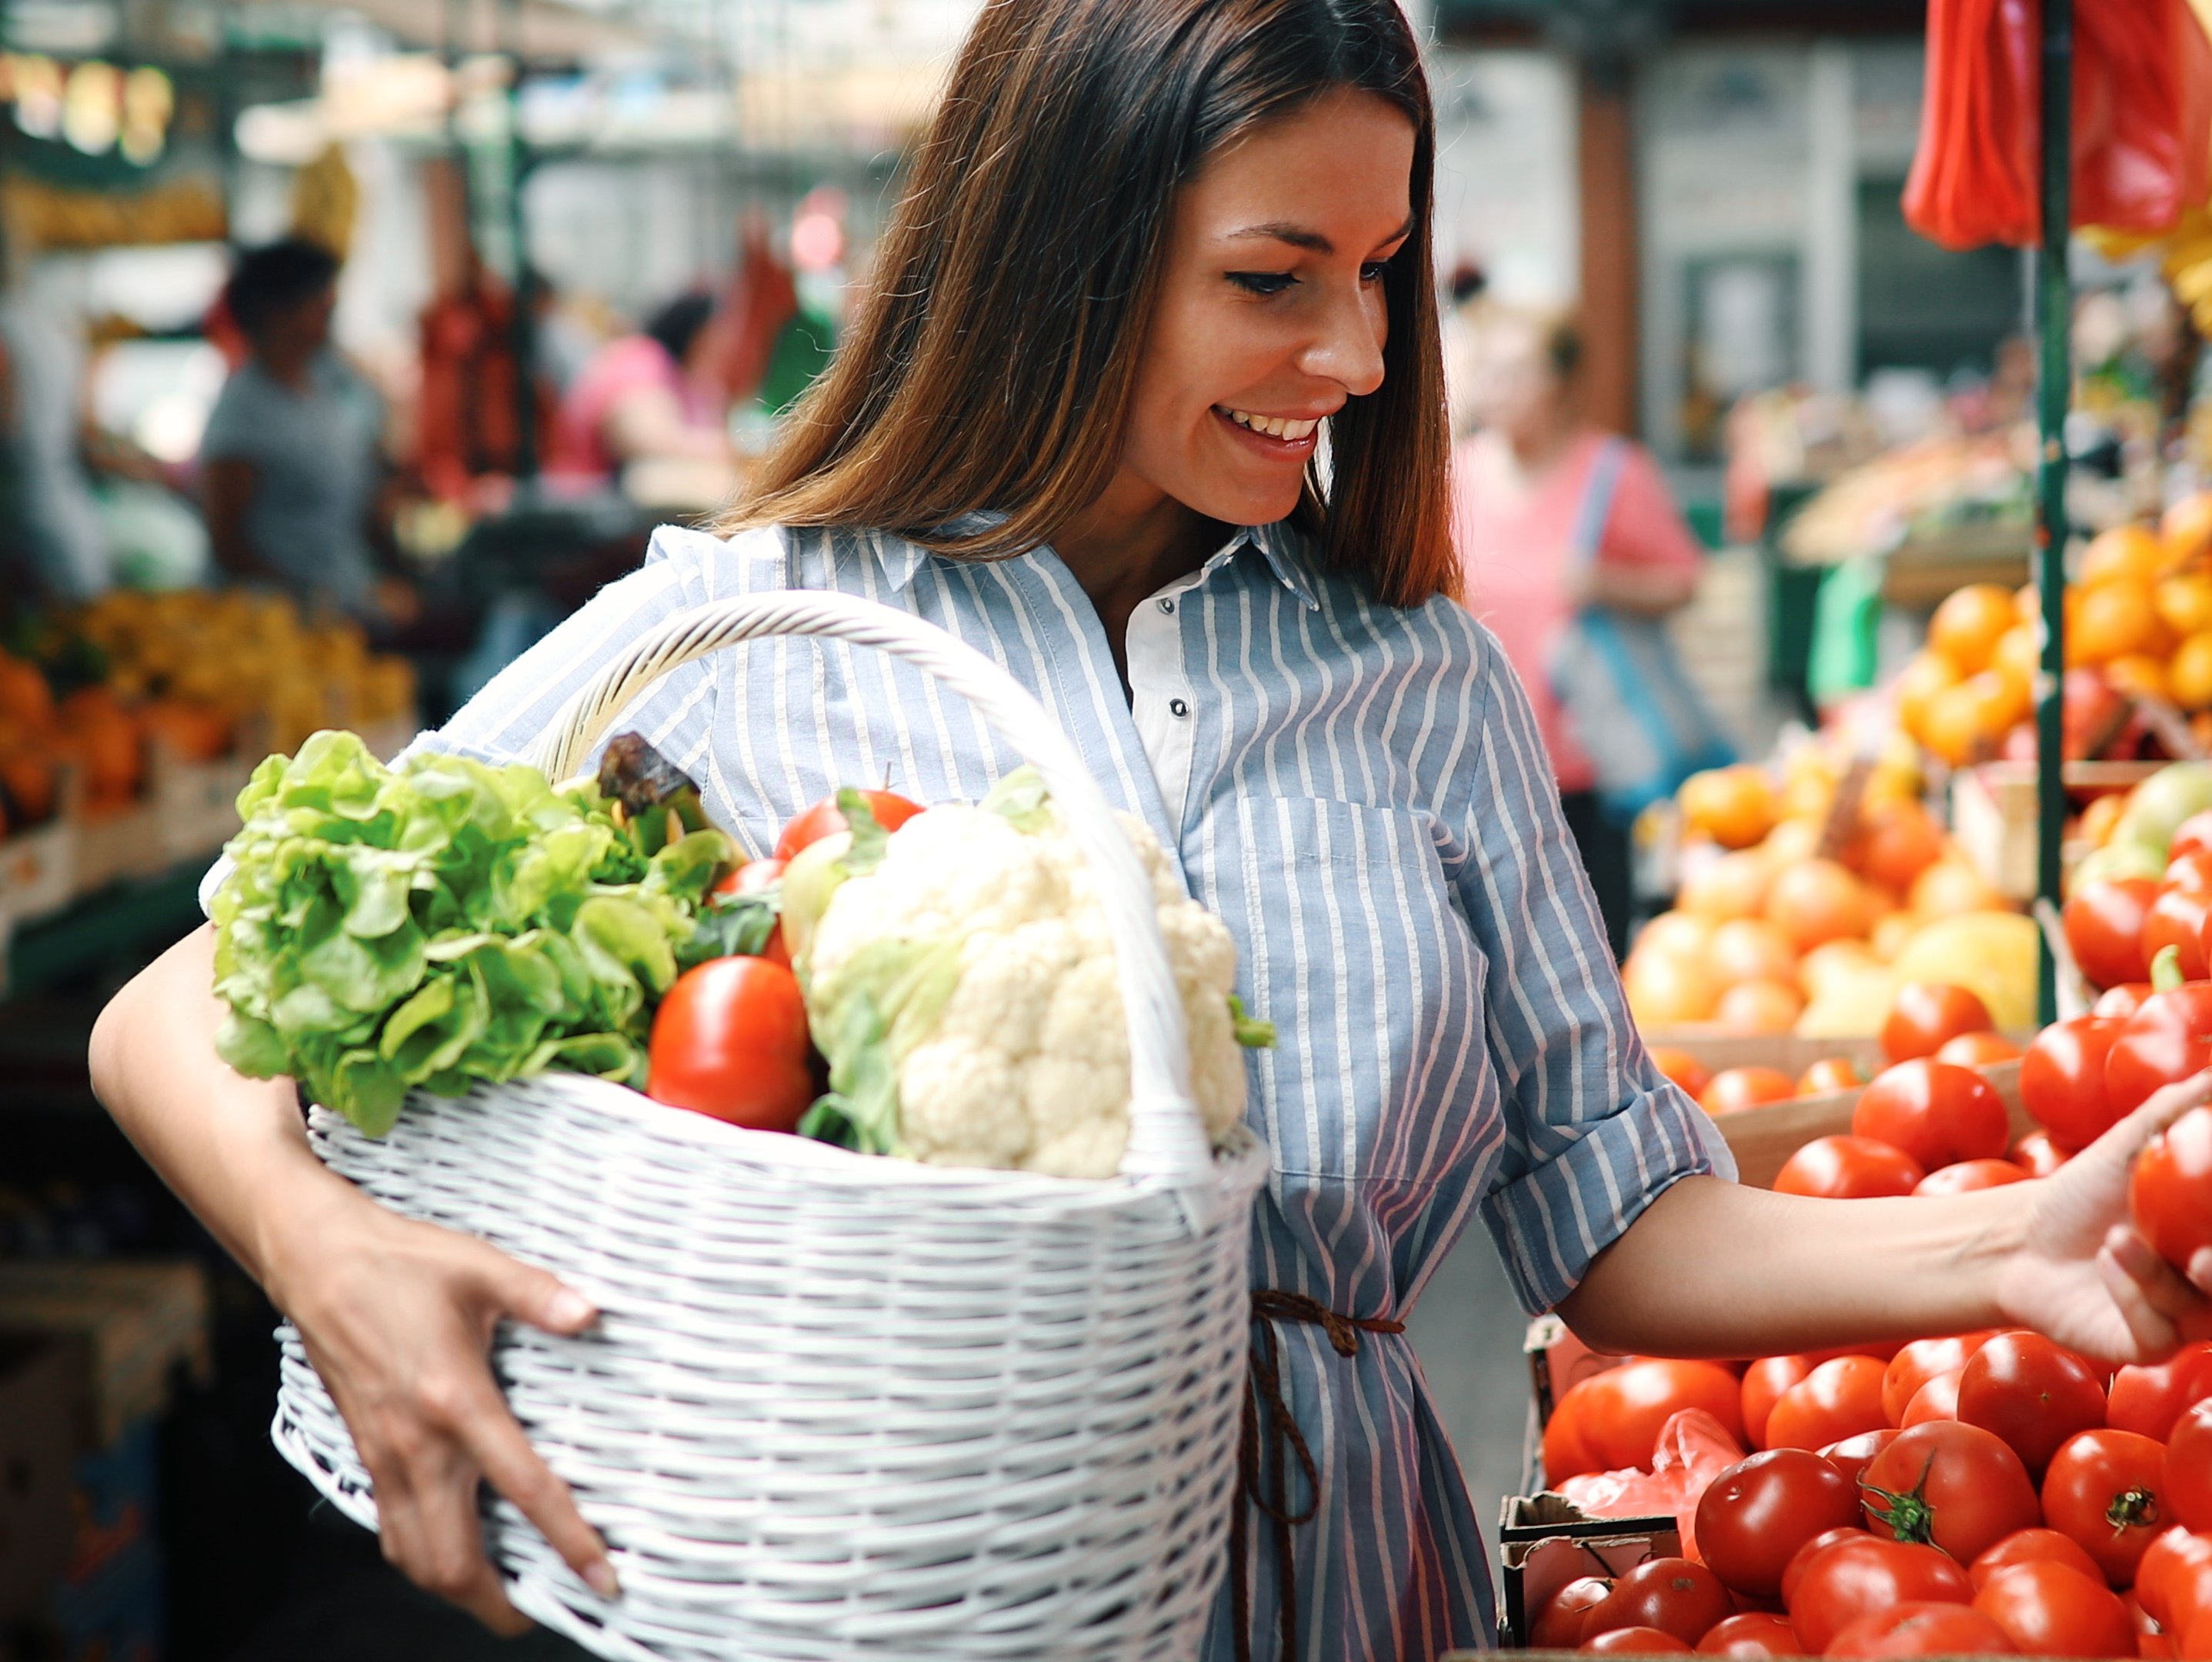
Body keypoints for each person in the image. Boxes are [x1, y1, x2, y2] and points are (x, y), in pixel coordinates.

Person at [87, 4, 2212, 1660]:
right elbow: (179, 1004)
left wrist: (2008, 1251)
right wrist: (336, 1262)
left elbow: (1611, 1224)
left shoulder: (1419, 673)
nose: (1355, 354)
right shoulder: (745, 632)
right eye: (1275, 275)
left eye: (1381, 275)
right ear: (1064, 259)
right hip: (904, 1602)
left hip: (1362, 1607)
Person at [1451, 304, 1708, 958]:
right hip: (1478, 762)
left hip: (1589, 766)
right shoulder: (1452, 475)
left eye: (1517, 371)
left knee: (1594, 946)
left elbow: (1683, 580)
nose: (1496, 388)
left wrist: (1600, 581)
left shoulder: (1612, 472)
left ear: (1560, 382)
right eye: (1488, 371)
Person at [198, 239, 403, 626]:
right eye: (317, 301)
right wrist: (299, 594)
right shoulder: (243, 411)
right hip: (272, 622)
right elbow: (227, 542)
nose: (330, 310)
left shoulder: (327, 381)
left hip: (342, 599)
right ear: (275, 313)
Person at [545, 289, 735, 491]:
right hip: (583, 502)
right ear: (698, 333)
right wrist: (736, 449)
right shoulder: (643, 359)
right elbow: (645, 440)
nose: (728, 344)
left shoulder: (694, 380)